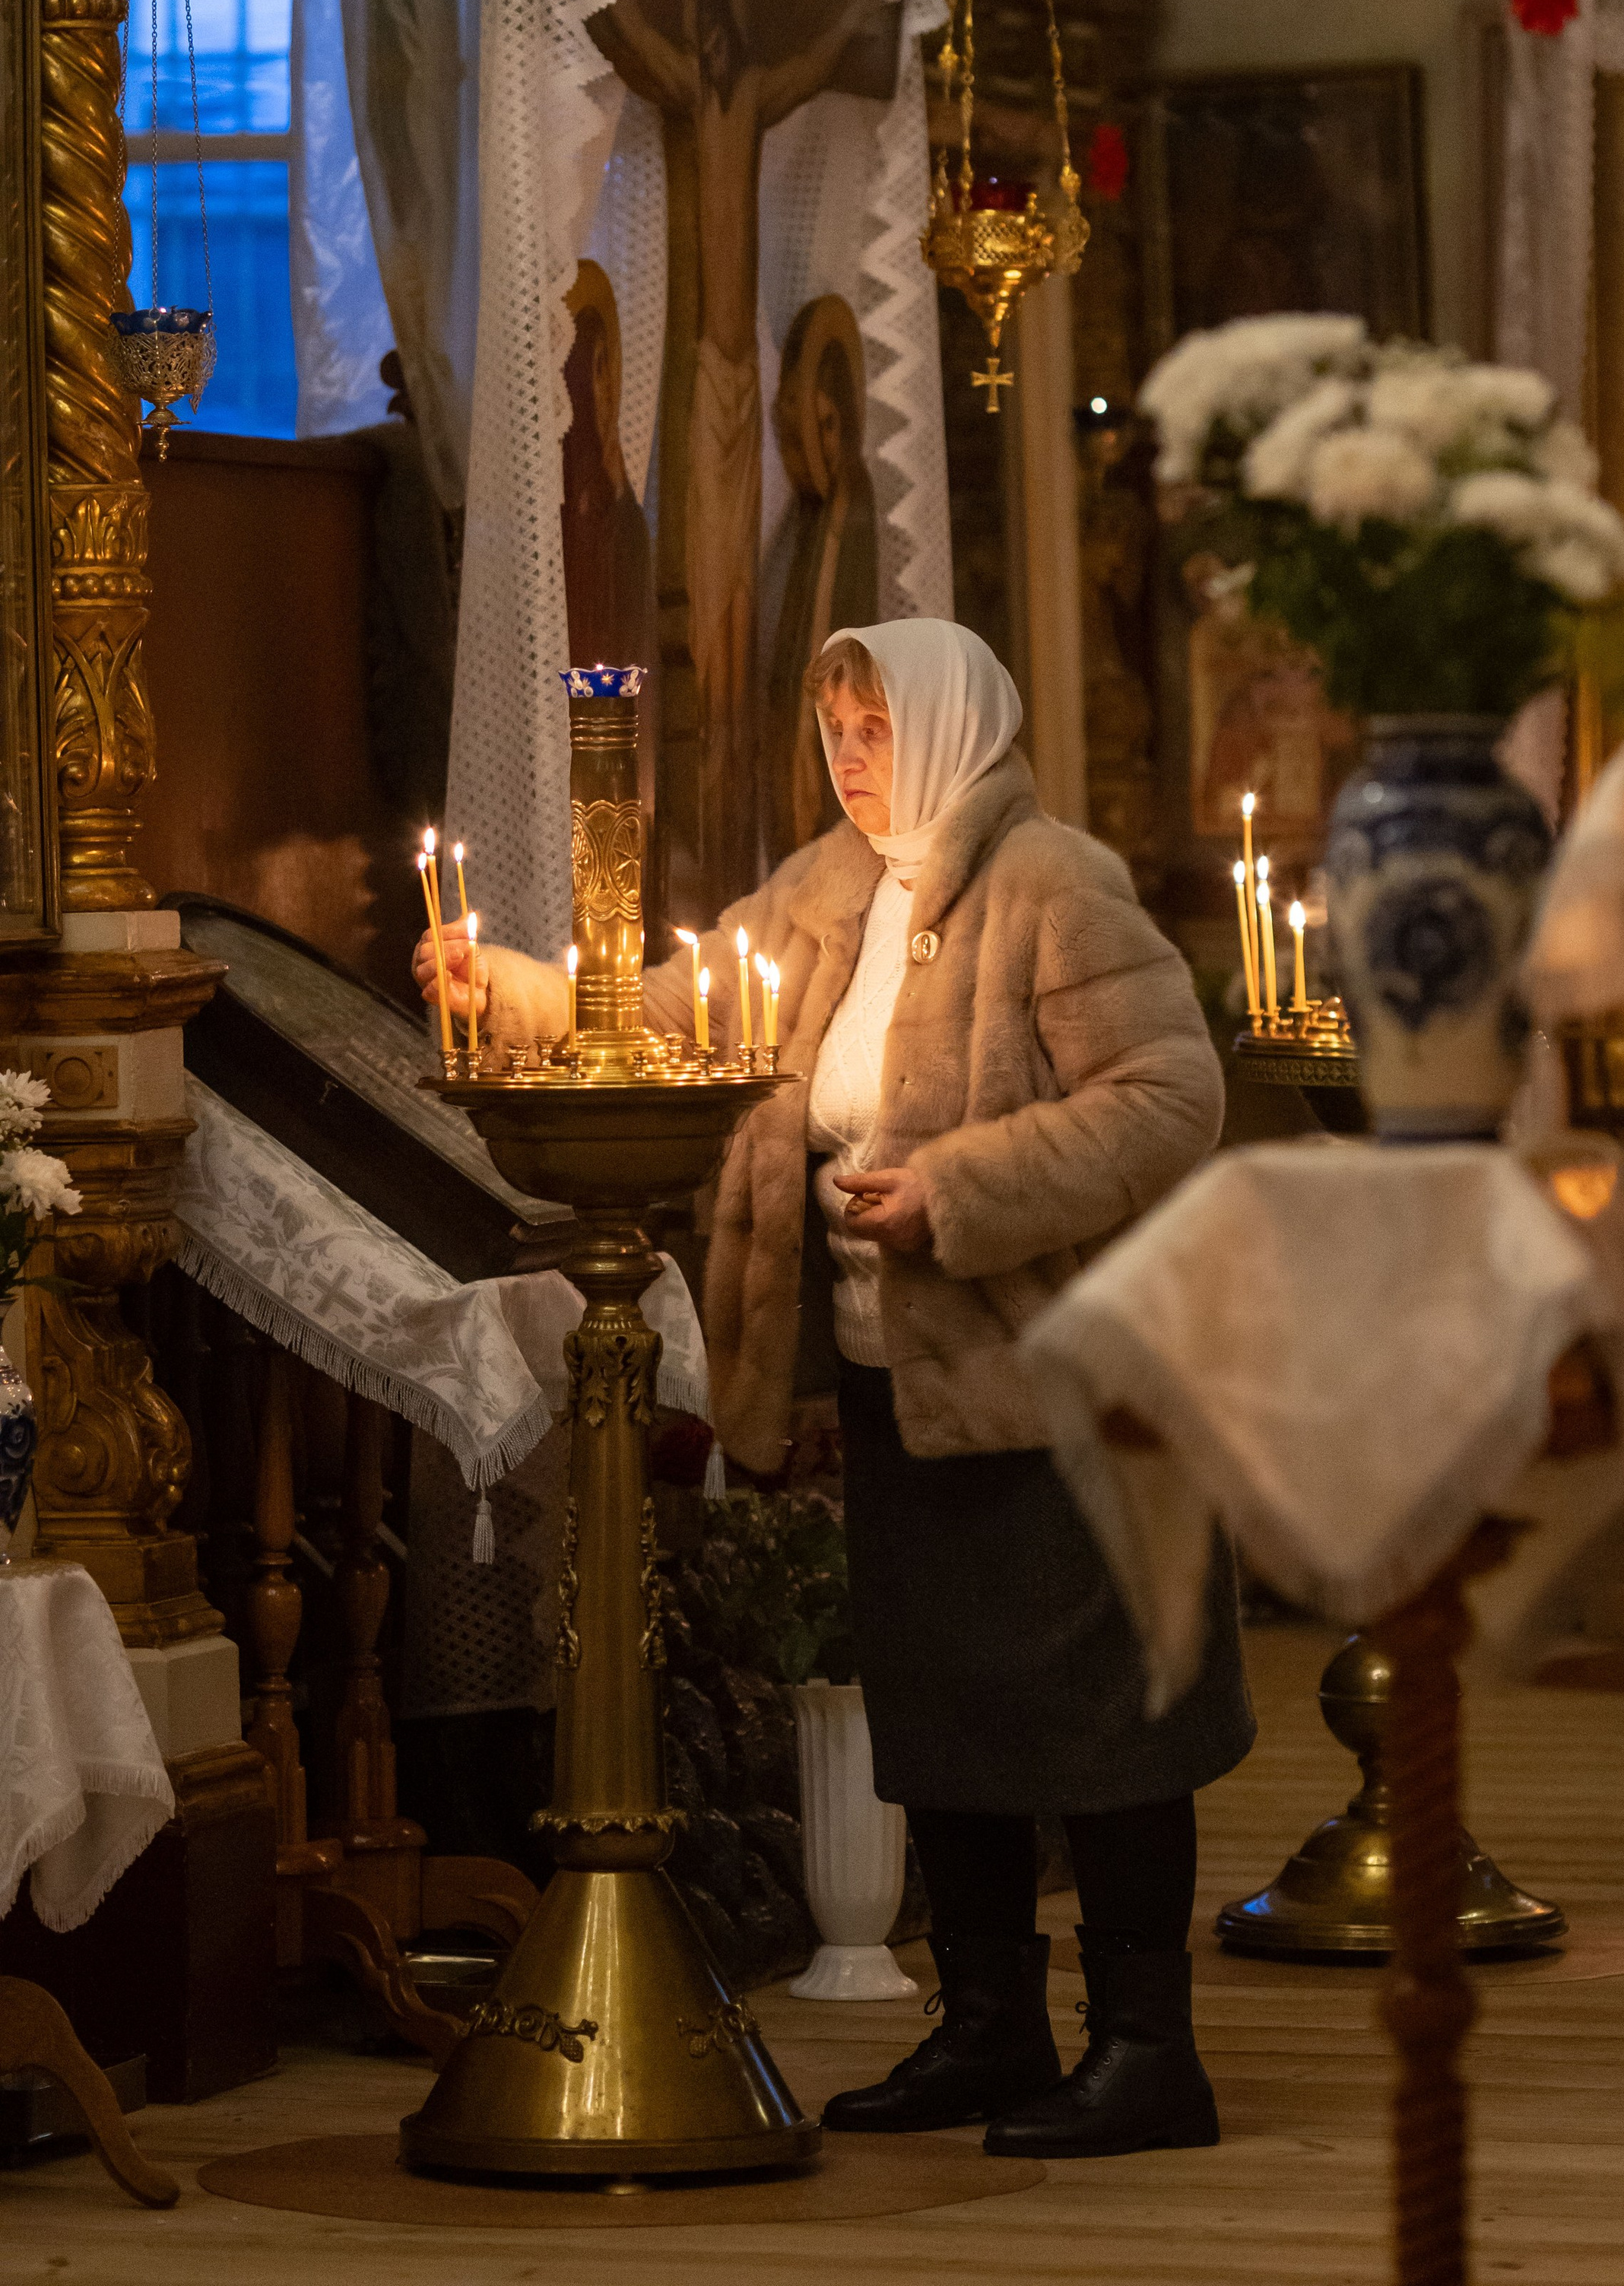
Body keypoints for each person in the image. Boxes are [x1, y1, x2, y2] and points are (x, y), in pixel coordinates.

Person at [417, 617, 1254, 2159]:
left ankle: (1149, 2050)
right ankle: (993, 2028)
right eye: (834, 733)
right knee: (944, 1713)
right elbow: (670, 1020)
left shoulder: (1050, 886)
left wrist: (958, 1187)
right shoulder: (821, 894)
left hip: (1062, 1381)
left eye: (874, 729)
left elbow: (1167, 1095)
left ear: (948, 725)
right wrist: (513, 987)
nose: (851, 760)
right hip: (898, 1384)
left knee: (1101, 1713)